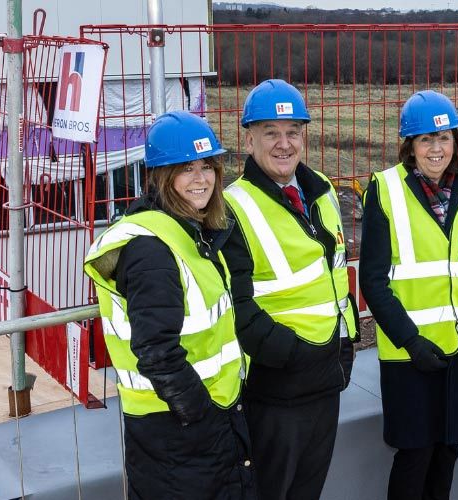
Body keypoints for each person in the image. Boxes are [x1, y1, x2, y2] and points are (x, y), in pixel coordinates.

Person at [81, 110, 253, 500]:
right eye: (186, 168)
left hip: (200, 423)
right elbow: (156, 351)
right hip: (178, 431)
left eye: (207, 166)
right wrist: (201, 416)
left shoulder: (189, 232)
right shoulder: (152, 248)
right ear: (160, 176)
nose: (201, 178)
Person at [221, 79, 357, 500]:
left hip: (327, 379)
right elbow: (237, 308)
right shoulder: (232, 206)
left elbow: (333, 275)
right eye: (271, 133)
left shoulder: (321, 190)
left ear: (305, 136)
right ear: (248, 139)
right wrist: (295, 356)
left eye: (293, 132)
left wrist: (345, 342)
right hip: (277, 392)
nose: (284, 144)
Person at [359, 90, 458, 500]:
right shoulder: (385, 190)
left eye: (444, 138)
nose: (436, 149)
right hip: (411, 354)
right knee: (414, 454)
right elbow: (374, 282)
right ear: (410, 146)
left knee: (448, 450)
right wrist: (411, 342)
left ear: (456, 142)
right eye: (425, 140)